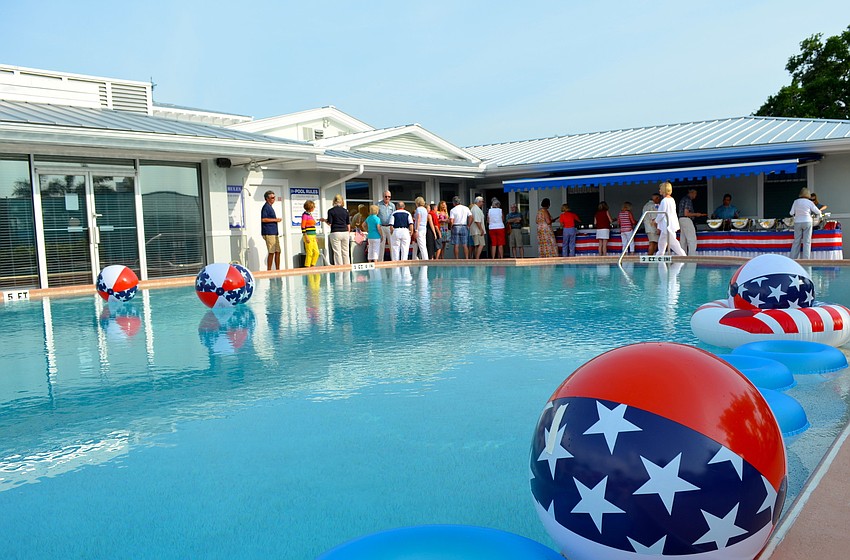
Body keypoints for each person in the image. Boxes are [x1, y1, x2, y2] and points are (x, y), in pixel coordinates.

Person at [790, 187, 823, 259]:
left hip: (797, 222)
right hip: (807, 221)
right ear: (808, 195)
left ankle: (793, 258)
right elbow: (817, 211)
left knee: (796, 241)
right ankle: (806, 260)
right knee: (807, 242)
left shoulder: (796, 201)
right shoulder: (810, 202)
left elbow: (791, 212)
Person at [655, 181, 686, 256]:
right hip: (670, 224)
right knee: (662, 242)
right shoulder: (672, 200)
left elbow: (661, 214)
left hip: (667, 225)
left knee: (673, 243)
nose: (659, 190)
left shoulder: (664, 201)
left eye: (660, 189)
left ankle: (683, 256)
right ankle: (660, 256)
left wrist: (655, 221)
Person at [677, 188, 706, 256]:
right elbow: (686, 213)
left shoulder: (683, 199)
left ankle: (682, 256)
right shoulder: (688, 200)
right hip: (686, 219)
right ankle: (692, 257)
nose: (695, 195)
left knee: (683, 240)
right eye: (695, 193)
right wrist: (697, 214)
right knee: (692, 239)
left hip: (681, 219)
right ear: (691, 192)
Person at [325, 194, 351, 266]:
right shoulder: (345, 211)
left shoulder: (331, 211)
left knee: (337, 252)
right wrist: (348, 233)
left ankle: (339, 268)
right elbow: (348, 223)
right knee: (345, 251)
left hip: (335, 232)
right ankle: (347, 267)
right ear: (341, 201)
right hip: (345, 232)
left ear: (334, 201)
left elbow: (330, 223)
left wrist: (324, 220)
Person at [260, 190, 282, 270]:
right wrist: (275, 220)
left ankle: (277, 269)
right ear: (267, 198)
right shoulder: (265, 207)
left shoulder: (270, 207)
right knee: (271, 252)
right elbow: (264, 219)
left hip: (274, 232)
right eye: (272, 198)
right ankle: (269, 270)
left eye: (274, 197)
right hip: (269, 233)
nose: (273, 199)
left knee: (278, 251)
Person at [377, 190, 395, 261]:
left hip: (390, 227)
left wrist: (393, 226)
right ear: (383, 196)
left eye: (389, 197)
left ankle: (394, 261)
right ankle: (380, 261)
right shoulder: (378, 205)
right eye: (386, 196)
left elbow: (394, 216)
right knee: (381, 245)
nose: (387, 198)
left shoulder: (392, 205)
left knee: (392, 245)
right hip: (381, 227)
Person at [301, 200, 320, 267]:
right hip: (308, 235)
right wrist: (305, 236)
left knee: (316, 252)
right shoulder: (305, 215)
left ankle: (312, 265)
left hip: (313, 235)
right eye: (313, 207)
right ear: (310, 207)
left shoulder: (310, 215)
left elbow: (313, 225)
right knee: (309, 252)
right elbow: (303, 226)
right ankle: (307, 266)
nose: (314, 208)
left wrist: (315, 236)